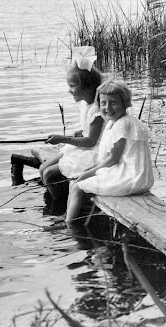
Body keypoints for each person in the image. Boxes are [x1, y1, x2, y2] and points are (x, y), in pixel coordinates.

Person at [65, 80, 154, 224]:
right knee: (75, 181)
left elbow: (113, 159)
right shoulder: (118, 122)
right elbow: (113, 159)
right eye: (103, 103)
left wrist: (88, 173)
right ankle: (70, 216)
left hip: (131, 177)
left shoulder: (122, 124)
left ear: (125, 103)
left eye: (113, 103)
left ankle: (70, 224)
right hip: (131, 173)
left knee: (77, 187)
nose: (108, 108)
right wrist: (90, 170)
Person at [34, 47, 105, 209]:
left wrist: (62, 138)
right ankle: (61, 199)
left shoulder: (97, 109)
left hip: (93, 151)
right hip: (85, 145)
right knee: (43, 168)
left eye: (72, 86)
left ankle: (61, 206)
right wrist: (80, 132)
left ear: (86, 87)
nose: (69, 90)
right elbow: (88, 132)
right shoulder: (84, 104)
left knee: (49, 173)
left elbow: (91, 141)